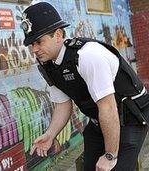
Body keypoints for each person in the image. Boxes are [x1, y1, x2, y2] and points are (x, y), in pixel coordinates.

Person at [21, 2, 149, 171]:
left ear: (58, 35)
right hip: (100, 120)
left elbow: (108, 107)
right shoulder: (49, 65)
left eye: (39, 42)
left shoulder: (87, 55)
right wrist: (50, 135)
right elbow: (63, 104)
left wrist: (110, 155)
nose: (34, 49)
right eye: (32, 44)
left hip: (130, 118)